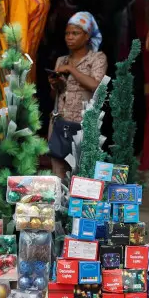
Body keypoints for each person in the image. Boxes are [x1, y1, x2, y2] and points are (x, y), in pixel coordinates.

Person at [47, 12, 108, 179]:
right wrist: (56, 85)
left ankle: (78, 206)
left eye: (75, 33)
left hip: (83, 126)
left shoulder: (97, 58)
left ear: (87, 35)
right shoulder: (61, 60)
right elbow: (55, 96)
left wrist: (71, 70)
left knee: (83, 175)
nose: (69, 37)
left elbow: (97, 86)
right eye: (67, 33)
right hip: (60, 124)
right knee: (58, 174)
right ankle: (60, 205)